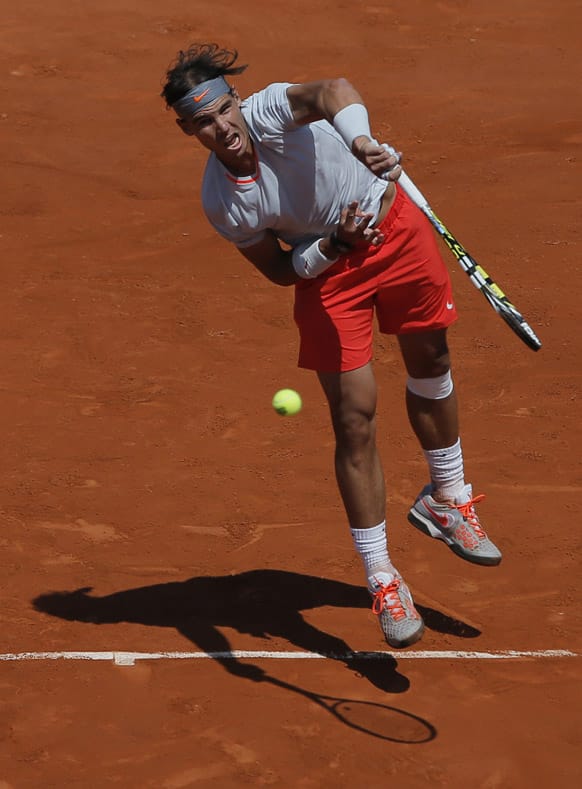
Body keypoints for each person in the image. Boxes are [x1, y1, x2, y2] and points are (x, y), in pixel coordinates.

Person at [160, 43, 502, 650]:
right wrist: (336, 247)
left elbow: (331, 91)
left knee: (433, 361)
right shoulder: (224, 201)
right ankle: (381, 576)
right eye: (202, 122)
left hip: (394, 226)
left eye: (222, 110)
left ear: (237, 101)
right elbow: (283, 271)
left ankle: (447, 498)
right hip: (330, 272)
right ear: (188, 129)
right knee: (354, 420)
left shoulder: (268, 112)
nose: (220, 127)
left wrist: (362, 142)